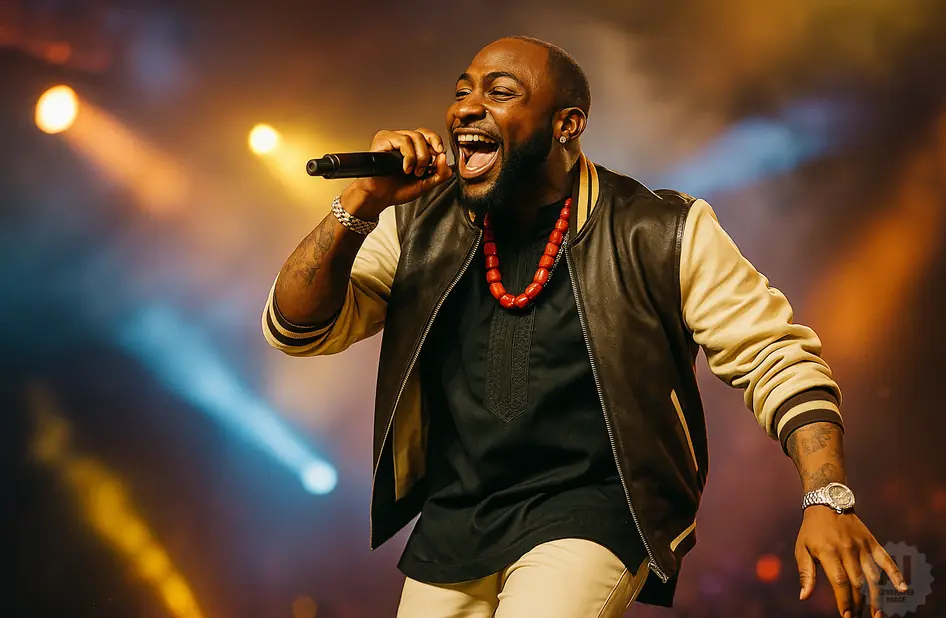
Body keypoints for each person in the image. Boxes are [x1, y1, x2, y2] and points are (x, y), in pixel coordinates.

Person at [262, 35, 907, 618]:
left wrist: (828, 498)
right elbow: (296, 327)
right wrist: (361, 202)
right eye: (463, 91)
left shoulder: (661, 230)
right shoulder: (417, 222)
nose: (466, 107)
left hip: (594, 507)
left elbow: (777, 355)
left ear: (567, 125)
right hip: (457, 517)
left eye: (501, 92)